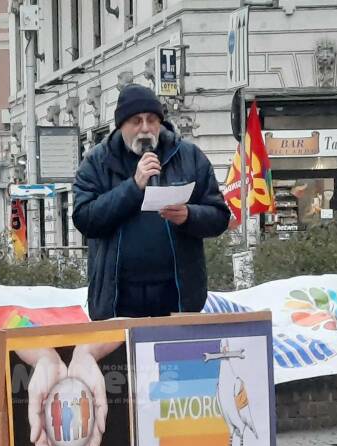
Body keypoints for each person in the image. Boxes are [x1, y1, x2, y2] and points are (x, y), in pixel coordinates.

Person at [72, 84, 230, 321]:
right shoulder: (97, 162)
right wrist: (134, 187)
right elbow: (85, 218)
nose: (145, 128)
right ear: (121, 125)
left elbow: (219, 216)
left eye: (152, 120)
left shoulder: (189, 157)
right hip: (119, 298)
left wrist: (189, 216)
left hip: (177, 296)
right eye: (136, 121)